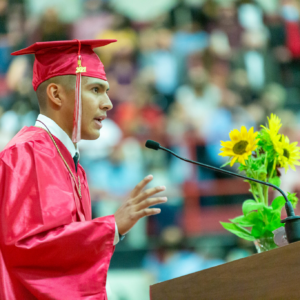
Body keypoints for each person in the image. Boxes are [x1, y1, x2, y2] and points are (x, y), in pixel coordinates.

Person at [0, 39, 167, 299]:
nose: (108, 103)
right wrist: (111, 227)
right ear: (56, 94)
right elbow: (24, 248)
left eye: (107, 91)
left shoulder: (71, 163)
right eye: (96, 90)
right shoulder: (26, 152)